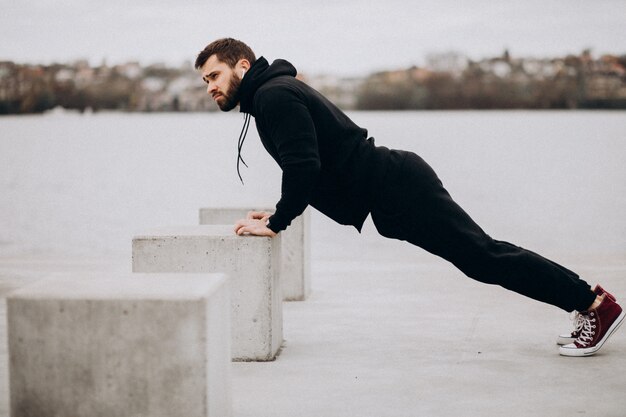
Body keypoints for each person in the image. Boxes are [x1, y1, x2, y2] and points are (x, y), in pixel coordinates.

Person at [194, 37, 624, 357]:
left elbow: (304, 166)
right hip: (393, 190)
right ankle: (589, 302)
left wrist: (275, 222)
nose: (210, 86)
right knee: (483, 256)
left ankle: (593, 304)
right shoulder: (273, 94)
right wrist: (276, 212)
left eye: (214, 75)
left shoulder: (273, 96)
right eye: (204, 81)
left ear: (242, 65)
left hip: (398, 187)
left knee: (484, 257)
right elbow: (310, 162)